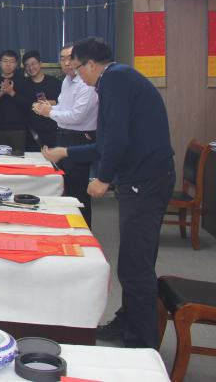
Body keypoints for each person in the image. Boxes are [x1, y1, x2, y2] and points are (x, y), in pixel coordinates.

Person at [42, 37, 175, 349]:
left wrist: (102, 178)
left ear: (91, 64)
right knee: (133, 260)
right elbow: (106, 142)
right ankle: (127, 323)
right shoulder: (118, 78)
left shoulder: (114, 79)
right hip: (143, 178)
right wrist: (66, 151)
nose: (77, 75)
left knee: (136, 264)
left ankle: (142, 345)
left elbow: (116, 140)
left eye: (78, 68)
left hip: (145, 180)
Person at [32, 43, 98, 227]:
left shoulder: (85, 83)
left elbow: (77, 116)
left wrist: (49, 113)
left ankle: (83, 232)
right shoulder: (67, 81)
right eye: (63, 58)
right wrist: (49, 108)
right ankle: (69, 228)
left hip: (80, 138)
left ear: (80, 59)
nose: (67, 63)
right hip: (64, 135)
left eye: (70, 58)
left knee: (78, 191)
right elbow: (63, 106)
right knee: (65, 187)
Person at [0, 49, 30, 152]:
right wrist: (0, 94)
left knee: (17, 159)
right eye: (5, 61)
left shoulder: (23, 81)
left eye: (11, 61)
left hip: (18, 130)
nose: (8, 64)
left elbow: (28, 105)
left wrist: (11, 93)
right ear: (0, 63)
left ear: (16, 64)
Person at [22, 50, 61, 150]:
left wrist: (52, 103)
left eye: (33, 64)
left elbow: (64, 103)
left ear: (40, 64)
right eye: (27, 65)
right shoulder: (23, 85)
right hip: (31, 134)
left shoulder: (55, 82)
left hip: (53, 131)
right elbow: (22, 104)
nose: (31, 68)